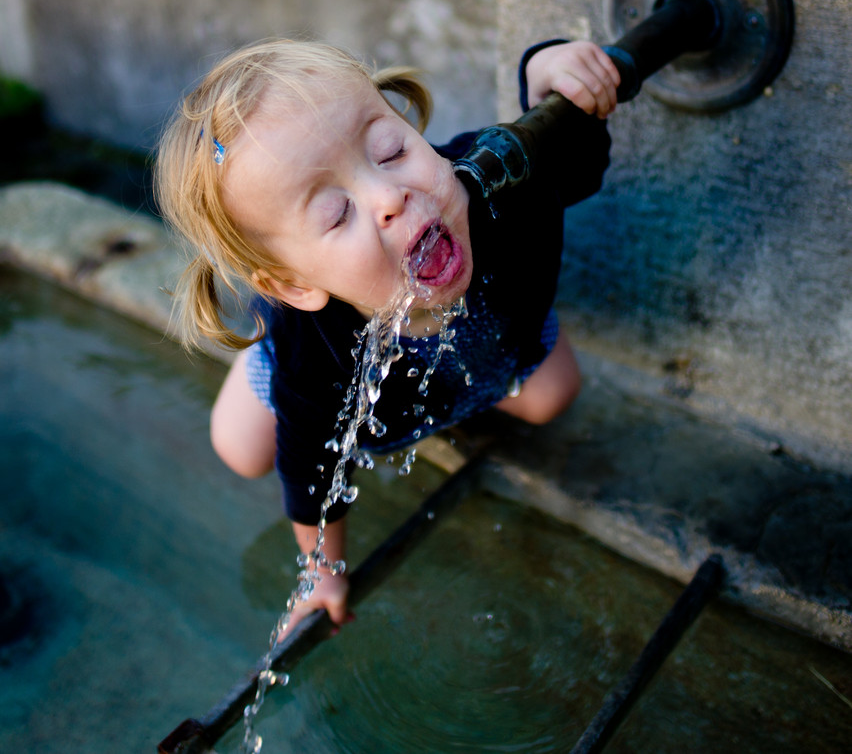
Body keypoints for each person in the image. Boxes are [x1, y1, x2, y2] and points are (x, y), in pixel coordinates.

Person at [155, 37, 619, 637]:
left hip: (490, 351)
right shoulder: (314, 338)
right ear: (293, 283)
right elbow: (311, 469)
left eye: (391, 148)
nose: (389, 196)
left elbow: (576, 154)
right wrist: (322, 570)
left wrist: (547, 78)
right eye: (336, 215)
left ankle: (458, 396)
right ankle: (259, 363)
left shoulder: (500, 180)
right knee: (241, 449)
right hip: (328, 373)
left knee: (555, 394)